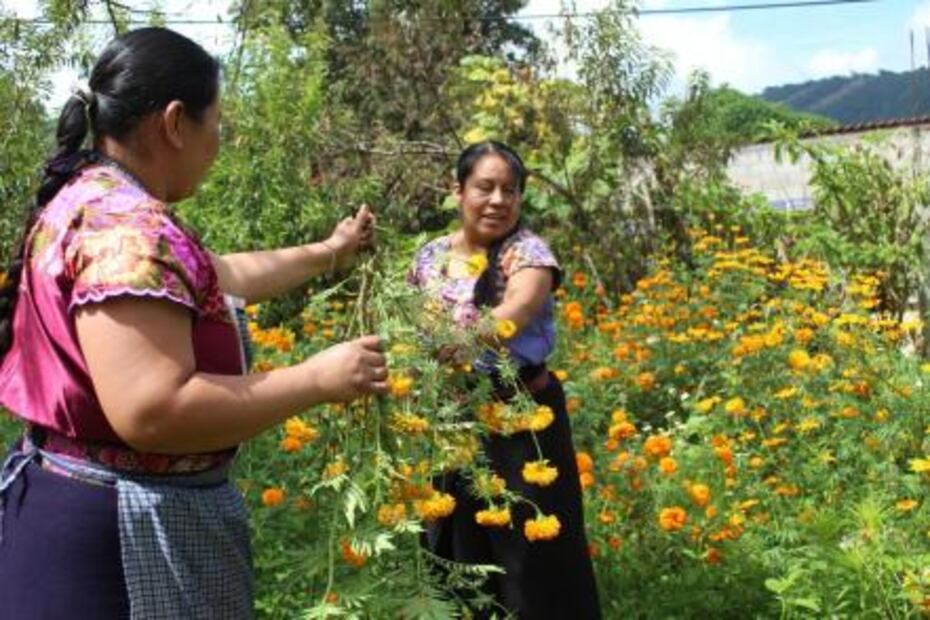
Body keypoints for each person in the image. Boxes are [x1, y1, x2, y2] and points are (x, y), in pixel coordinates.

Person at [0, 27, 387, 619]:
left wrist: (329, 251)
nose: (219, 143)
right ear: (176, 122)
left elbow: (218, 276)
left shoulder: (92, 199)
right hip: (119, 542)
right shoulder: (130, 230)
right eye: (217, 125)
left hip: (70, 506)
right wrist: (319, 378)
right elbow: (153, 410)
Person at [407, 141, 601, 618]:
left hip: (521, 421)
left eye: (509, 191)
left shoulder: (528, 253)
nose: (498, 200)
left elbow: (515, 311)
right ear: (458, 191)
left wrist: (464, 340)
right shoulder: (429, 258)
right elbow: (411, 328)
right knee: (452, 546)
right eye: (485, 188)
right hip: (451, 420)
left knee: (529, 557)